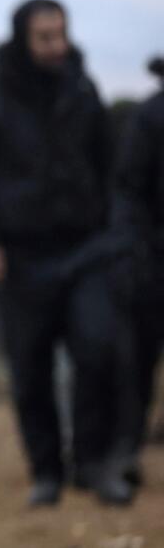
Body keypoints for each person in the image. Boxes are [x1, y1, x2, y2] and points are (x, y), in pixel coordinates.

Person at [0, 0, 131, 506]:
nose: (58, 46)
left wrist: (114, 233)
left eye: (61, 34)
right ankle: (47, 472)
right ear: (23, 40)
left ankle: (93, 464)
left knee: (98, 350)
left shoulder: (83, 89)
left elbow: (110, 169)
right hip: (20, 257)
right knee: (30, 371)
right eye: (46, 37)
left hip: (86, 250)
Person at [110, 56, 164, 485]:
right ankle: (128, 449)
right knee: (138, 363)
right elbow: (130, 190)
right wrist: (138, 253)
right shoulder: (150, 118)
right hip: (153, 264)